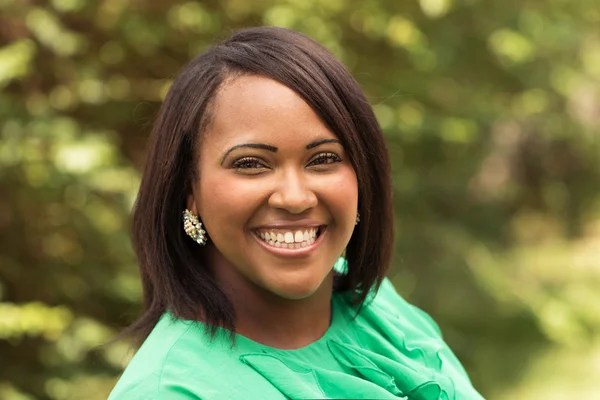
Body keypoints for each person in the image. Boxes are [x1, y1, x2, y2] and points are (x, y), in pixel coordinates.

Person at [108, 26, 485, 400]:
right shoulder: (170, 391)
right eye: (251, 163)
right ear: (189, 190)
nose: (295, 198)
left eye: (323, 159)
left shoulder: (377, 308)